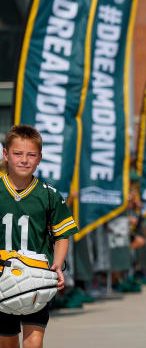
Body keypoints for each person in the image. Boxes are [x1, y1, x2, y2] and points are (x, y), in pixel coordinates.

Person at [0, 124, 78, 348]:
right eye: (18, 153)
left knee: (34, 340)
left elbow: (62, 234)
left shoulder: (49, 194)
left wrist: (57, 264)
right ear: (6, 154)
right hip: (2, 276)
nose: (24, 160)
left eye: (31, 155)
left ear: (40, 158)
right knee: (7, 341)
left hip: (36, 275)